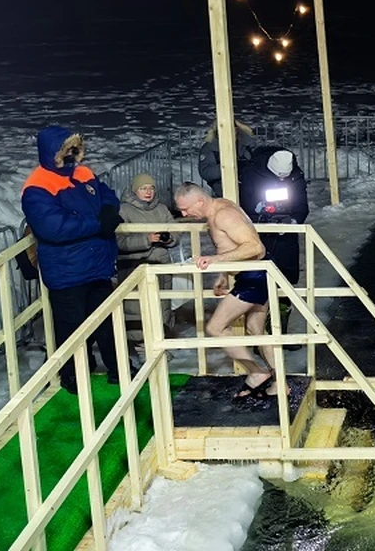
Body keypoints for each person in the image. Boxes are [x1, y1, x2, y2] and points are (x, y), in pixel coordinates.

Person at [21, 126, 124, 394]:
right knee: (71, 327)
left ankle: (119, 369)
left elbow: (106, 193)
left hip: (97, 265)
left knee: (107, 322)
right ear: (52, 152)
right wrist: (98, 224)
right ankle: (72, 375)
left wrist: (109, 208)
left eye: (74, 150)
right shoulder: (37, 186)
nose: (71, 155)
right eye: (66, 150)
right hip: (67, 272)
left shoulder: (83, 172)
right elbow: (53, 227)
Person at [173, 182, 279, 399]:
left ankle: (257, 373)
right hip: (252, 274)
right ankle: (280, 382)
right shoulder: (216, 209)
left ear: (199, 201)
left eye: (185, 209)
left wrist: (215, 260)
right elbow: (228, 245)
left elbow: (256, 247)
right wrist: (223, 274)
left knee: (216, 327)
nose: (184, 214)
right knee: (255, 330)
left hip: (254, 276)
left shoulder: (224, 214)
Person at [239, 146, 309, 333]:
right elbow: (244, 204)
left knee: (285, 282)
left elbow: (302, 205)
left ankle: (281, 332)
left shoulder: (296, 176)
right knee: (258, 283)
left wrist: (293, 221)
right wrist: (258, 213)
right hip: (260, 237)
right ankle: (258, 334)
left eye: (285, 177)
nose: (282, 181)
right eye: (278, 177)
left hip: (286, 240)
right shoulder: (252, 174)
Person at [117, 174, 178, 345]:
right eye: (143, 188)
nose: (148, 192)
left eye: (151, 188)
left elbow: (176, 231)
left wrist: (169, 238)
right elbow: (119, 241)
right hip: (135, 266)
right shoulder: (123, 210)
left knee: (162, 304)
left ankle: (160, 342)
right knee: (137, 307)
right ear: (135, 190)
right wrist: (147, 239)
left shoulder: (162, 209)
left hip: (161, 266)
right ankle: (140, 345)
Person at [198, 118, 257, 197]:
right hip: (222, 185)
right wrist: (226, 168)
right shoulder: (210, 147)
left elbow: (257, 160)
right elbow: (206, 172)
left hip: (250, 183)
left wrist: (246, 166)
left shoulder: (247, 143)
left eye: (233, 129)